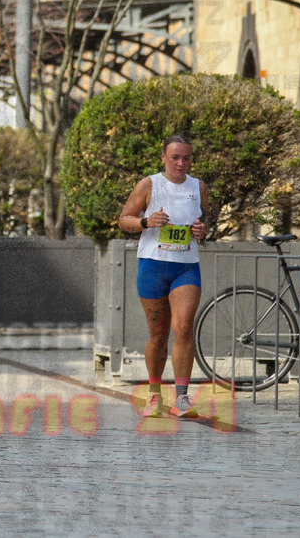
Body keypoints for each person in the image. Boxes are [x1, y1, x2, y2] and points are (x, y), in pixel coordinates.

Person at [118, 135, 210, 418]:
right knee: (158, 335)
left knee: (183, 329)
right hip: (153, 266)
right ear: (163, 158)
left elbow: (205, 218)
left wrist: (202, 230)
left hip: (185, 266)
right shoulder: (149, 185)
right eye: (175, 158)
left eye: (186, 158)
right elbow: (124, 219)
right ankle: (154, 395)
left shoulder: (199, 187)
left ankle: (182, 398)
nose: (181, 163)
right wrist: (146, 221)